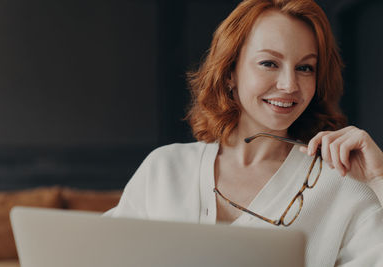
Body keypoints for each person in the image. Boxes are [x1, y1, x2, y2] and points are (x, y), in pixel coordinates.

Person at [105, 0, 383, 265]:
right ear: (230, 72)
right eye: (269, 63)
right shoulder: (163, 169)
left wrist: (379, 178)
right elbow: (98, 254)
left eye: (305, 68)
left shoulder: (343, 185)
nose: (289, 84)